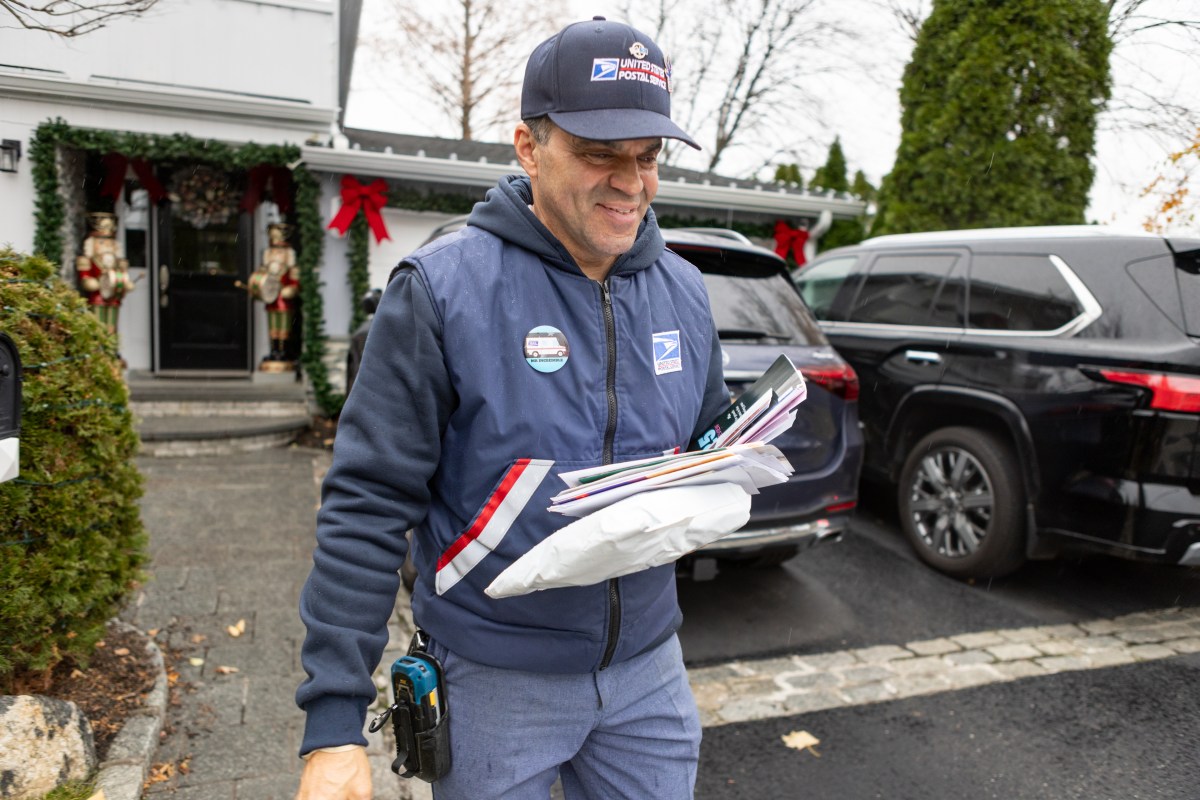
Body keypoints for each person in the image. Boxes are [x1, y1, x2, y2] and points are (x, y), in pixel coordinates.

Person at [295, 16, 729, 800]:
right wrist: (332, 724)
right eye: (601, 154)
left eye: (648, 156)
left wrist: (738, 452)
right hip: (493, 680)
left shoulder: (684, 292)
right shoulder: (441, 290)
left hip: (649, 679)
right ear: (529, 148)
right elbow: (366, 502)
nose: (630, 180)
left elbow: (702, 446)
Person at [247, 222, 300, 365]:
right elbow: (261, 275)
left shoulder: (289, 256)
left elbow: (295, 277)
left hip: (283, 295)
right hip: (271, 297)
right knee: (272, 324)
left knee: (284, 323)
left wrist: (292, 288)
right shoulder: (267, 255)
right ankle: (274, 349)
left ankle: (284, 350)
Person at [75, 211, 136, 336]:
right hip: (97, 297)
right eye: (101, 242)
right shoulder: (87, 260)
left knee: (112, 326)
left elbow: (122, 275)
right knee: (97, 324)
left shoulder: (118, 261)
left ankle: (110, 346)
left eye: (109, 242)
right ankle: (98, 347)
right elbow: (85, 276)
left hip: (114, 297)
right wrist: (89, 282)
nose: (107, 246)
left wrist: (126, 283)